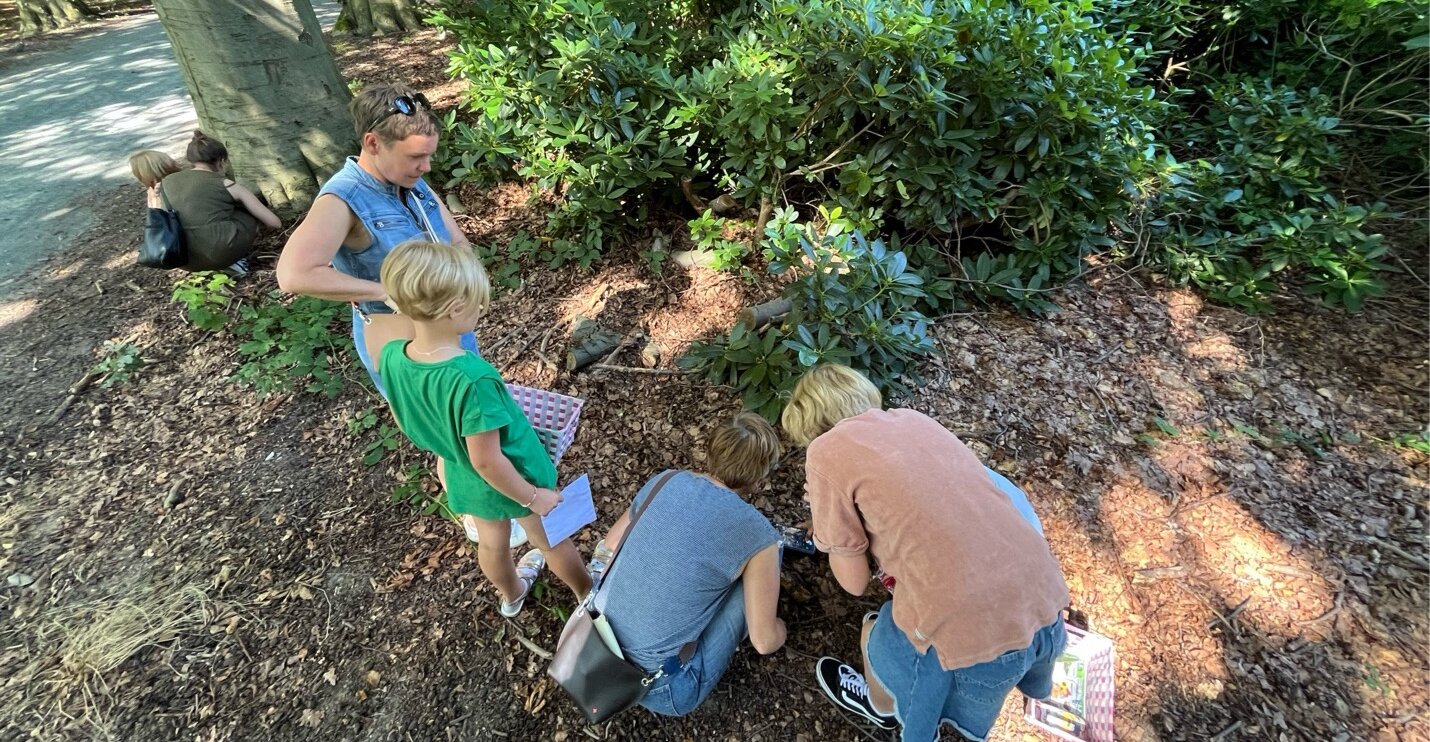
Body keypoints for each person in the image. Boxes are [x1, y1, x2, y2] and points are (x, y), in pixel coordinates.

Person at [276, 84, 524, 547]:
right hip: (400, 337)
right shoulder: (342, 199)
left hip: (446, 325)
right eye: (416, 158)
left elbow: (453, 239)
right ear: (373, 143)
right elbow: (294, 274)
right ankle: (476, 513)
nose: (426, 167)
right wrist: (387, 291)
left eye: (429, 156)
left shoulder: (408, 179)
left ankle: (493, 495)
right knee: (447, 430)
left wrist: (467, 283)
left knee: (471, 421)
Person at [781, 364, 1070, 742]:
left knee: (873, 632)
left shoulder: (825, 452)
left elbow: (852, 583)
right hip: (1044, 595)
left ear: (812, 428)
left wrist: (827, 523)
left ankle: (882, 705)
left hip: (965, 623)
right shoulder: (913, 419)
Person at [375, 239, 590, 617]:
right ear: (455, 308)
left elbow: (403, 415)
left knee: (492, 543)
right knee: (549, 539)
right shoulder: (472, 379)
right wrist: (531, 497)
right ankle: (588, 592)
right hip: (512, 478)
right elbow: (489, 461)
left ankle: (511, 595)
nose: (480, 309)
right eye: (477, 303)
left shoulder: (392, 354)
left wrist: (445, 450)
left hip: (460, 472)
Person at [588, 413, 788, 717]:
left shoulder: (666, 479)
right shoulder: (759, 534)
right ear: (758, 479)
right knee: (768, 558)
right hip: (661, 689)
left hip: (594, 648)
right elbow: (764, 642)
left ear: (710, 452)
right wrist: (780, 629)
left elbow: (612, 544)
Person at [129, 132, 281, 275]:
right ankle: (233, 261)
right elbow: (274, 223)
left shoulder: (163, 185)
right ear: (222, 161)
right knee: (245, 213)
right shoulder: (225, 184)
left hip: (182, 258)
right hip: (219, 254)